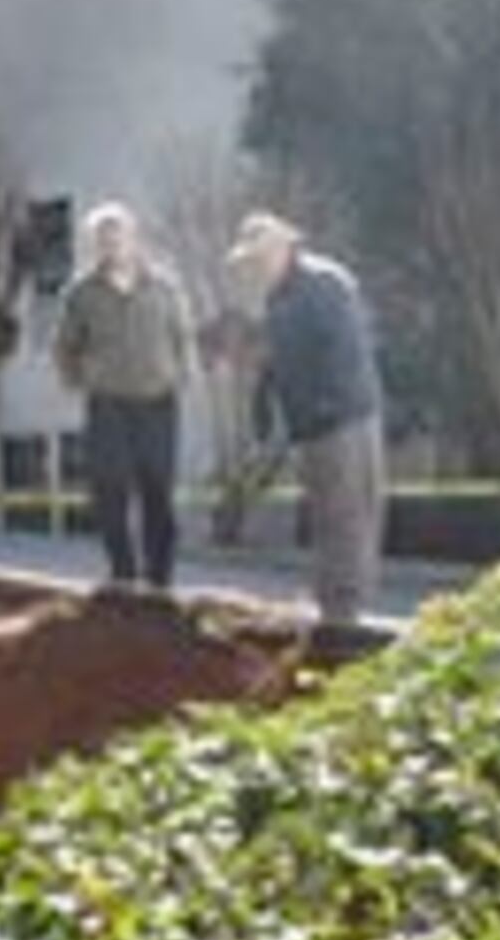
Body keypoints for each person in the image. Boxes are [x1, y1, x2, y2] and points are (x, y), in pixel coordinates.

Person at [225, 210, 383, 638]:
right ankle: (333, 607)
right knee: (326, 517)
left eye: (260, 257)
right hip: (310, 426)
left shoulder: (325, 284)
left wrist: (325, 409)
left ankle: (344, 616)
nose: (255, 267)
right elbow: (273, 371)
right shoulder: (278, 298)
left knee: (347, 516)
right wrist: (265, 431)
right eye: (250, 261)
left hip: (343, 420)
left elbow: (346, 353)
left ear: (285, 247)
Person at [50, 203, 198, 591]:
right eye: (102, 239)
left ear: (133, 239)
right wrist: (80, 378)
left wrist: (183, 376)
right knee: (110, 490)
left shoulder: (165, 287)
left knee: (158, 493)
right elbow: (65, 347)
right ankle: (122, 574)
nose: (111, 245)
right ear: (94, 246)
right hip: (109, 404)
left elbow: (183, 336)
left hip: (158, 403)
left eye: (118, 236)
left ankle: (160, 581)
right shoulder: (80, 293)